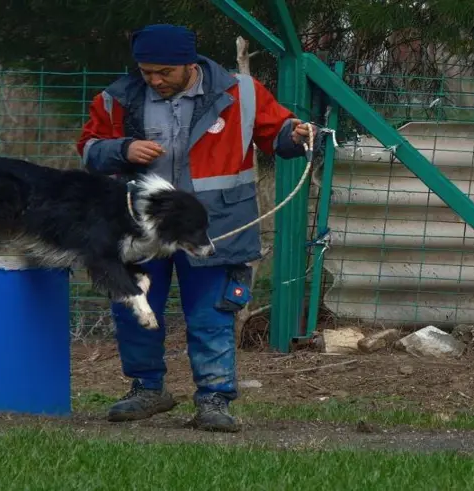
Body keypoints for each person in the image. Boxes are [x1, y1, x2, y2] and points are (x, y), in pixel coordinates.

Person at [76, 23, 315, 433]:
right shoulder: (116, 97)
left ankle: (214, 400)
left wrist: (295, 135)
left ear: (189, 64)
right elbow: (89, 148)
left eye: (163, 72)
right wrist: (123, 149)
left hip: (216, 226)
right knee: (135, 308)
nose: (154, 80)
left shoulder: (243, 92)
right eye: (146, 71)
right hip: (138, 230)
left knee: (211, 316)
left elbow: (276, 135)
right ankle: (147, 390)